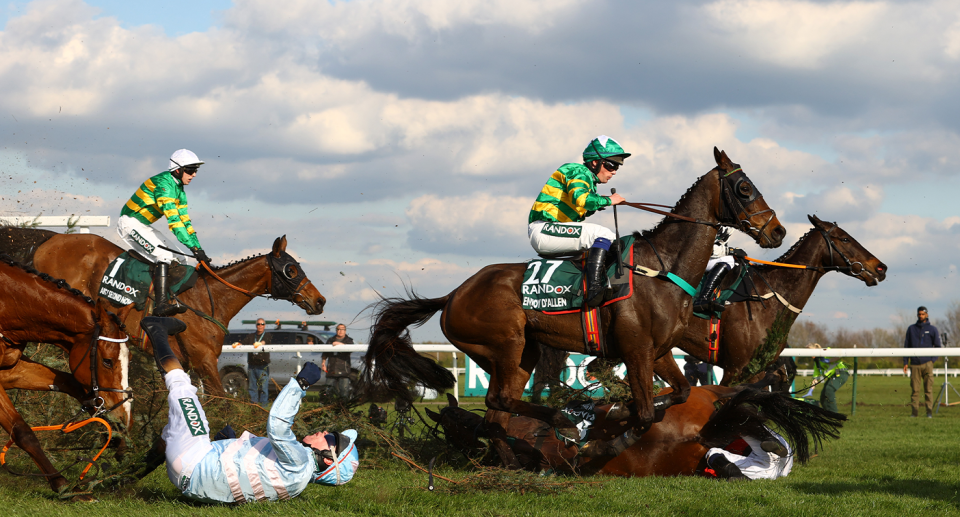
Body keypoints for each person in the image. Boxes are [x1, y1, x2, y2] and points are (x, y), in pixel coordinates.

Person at [140, 317, 359, 504]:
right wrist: (228, 446)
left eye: (329, 438)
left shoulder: (301, 460)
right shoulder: (297, 485)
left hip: (193, 460)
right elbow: (253, 476)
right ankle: (124, 477)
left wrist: (300, 384)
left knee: (183, 387)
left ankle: (156, 329)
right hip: (190, 479)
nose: (324, 432)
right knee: (172, 430)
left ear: (328, 460)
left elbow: (278, 426)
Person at [528, 135, 630, 307]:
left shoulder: (588, 181)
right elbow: (581, 200)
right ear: (595, 162)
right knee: (603, 234)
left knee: (606, 240)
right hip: (545, 229)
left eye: (617, 166)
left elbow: (584, 204)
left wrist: (598, 203)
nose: (614, 171)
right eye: (611, 164)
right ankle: (595, 289)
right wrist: (608, 200)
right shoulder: (577, 171)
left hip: (554, 230)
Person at [117, 149, 212, 317]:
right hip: (129, 224)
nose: (194, 174)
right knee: (164, 256)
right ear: (178, 170)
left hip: (143, 226)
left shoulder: (179, 190)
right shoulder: (163, 185)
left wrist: (198, 248)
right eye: (190, 170)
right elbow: (175, 223)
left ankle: (171, 299)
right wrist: (195, 250)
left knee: (181, 258)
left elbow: (185, 223)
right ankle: (160, 305)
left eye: (196, 170)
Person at [704, 427, 793, 480]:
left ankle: (735, 474)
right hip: (786, 461)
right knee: (745, 424)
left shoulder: (726, 446)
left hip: (766, 471)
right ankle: (771, 440)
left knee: (713, 452)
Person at [903, 306, 942, 418]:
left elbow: (938, 346)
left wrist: (932, 360)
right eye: (919, 314)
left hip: (927, 364)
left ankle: (929, 412)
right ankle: (914, 413)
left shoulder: (933, 329)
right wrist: (905, 361)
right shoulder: (911, 329)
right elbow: (906, 346)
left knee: (928, 390)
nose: (921, 316)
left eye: (923, 314)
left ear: (927, 315)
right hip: (914, 364)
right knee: (915, 390)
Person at [694, 228, 735, 314]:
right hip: (693, 257)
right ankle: (703, 298)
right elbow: (705, 247)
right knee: (729, 259)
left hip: (704, 256)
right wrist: (730, 251)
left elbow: (720, 244)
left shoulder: (730, 224)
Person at [806, 343, 849, 413]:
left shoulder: (826, 351)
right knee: (823, 397)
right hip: (833, 376)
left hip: (841, 373)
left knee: (829, 389)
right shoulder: (817, 363)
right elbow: (815, 379)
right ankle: (828, 414)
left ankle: (835, 415)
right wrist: (810, 390)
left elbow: (839, 356)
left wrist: (828, 360)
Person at [242, 318, 272, 407]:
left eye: (262, 324)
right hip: (252, 365)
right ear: (256, 325)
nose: (260, 326)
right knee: (252, 387)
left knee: (263, 388)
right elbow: (243, 343)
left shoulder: (268, 335)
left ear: (265, 326)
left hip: (263, 366)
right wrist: (238, 344)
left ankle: (263, 406)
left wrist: (261, 343)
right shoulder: (251, 336)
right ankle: (253, 405)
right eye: (258, 324)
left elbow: (265, 341)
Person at [323, 324, 355, 399]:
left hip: (344, 370)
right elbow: (325, 353)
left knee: (344, 390)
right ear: (336, 330)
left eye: (342, 329)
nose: (340, 331)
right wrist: (323, 363)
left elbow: (350, 349)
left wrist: (338, 344)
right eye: (338, 329)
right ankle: (326, 405)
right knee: (327, 389)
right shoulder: (330, 340)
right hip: (332, 368)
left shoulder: (349, 340)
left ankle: (343, 406)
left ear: (345, 331)